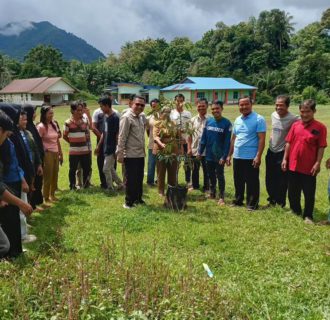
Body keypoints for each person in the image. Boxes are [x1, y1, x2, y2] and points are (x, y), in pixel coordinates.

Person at [282, 99, 327, 224]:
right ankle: (295, 210)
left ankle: (308, 215)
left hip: (308, 167)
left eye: (308, 111)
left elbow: (321, 146)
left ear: (314, 111)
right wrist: (285, 159)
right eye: (302, 111)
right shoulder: (295, 125)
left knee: (308, 192)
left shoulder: (320, 127)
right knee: (292, 190)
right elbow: (288, 143)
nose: (304, 114)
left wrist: (317, 163)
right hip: (293, 165)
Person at [0, 110, 33, 258]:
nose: (8, 137)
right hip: (8, 184)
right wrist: (21, 203)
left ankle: (14, 251)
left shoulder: (8, 143)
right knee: (5, 242)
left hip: (11, 184)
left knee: (5, 242)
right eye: (6, 134)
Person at [226, 96, 266, 210]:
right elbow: (233, 139)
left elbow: (261, 139)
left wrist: (258, 156)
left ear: (251, 104)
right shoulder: (238, 120)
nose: (243, 107)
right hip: (238, 156)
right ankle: (238, 200)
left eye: (246, 104)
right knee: (238, 180)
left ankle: (252, 204)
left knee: (251, 181)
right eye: (241, 105)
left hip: (251, 156)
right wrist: (229, 155)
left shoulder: (259, 119)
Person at [265, 95, 298, 207]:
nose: (278, 107)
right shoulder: (273, 115)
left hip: (282, 153)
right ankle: (271, 200)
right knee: (269, 178)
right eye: (277, 105)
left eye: (281, 105)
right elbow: (273, 129)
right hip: (271, 150)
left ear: (287, 106)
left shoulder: (294, 118)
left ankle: (280, 202)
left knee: (281, 180)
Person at [198, 100, 232, 205]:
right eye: (213, 109)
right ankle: (212, 193)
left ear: (222, 109)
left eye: (217, 108)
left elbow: (227, 142)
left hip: (219, 156)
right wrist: (199, 151)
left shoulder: (227, 123)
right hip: (209, 154)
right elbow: (203, 138)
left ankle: (221, 196)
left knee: (220, 175)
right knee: (210, 174)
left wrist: (224, 156)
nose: (215, 111)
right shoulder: (209, 121)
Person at [117, 96, 146, 208]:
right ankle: (128, 202)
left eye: (142, 105)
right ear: (131, 104)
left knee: (139, 178)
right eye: (137, 104)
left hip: (140, 154)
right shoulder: (127, 118)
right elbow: (122, 137)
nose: (139, 107)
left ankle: (138, 199)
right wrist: (120, 154)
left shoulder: (140, 117)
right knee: (131, 179)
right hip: (130, 154)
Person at [18, 110, 41, 243]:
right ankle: (22, 234)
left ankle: (24, 225)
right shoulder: (14, 135)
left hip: (28, 170)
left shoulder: (27, 133)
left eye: (27, 119)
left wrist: (37, 164)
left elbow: (35, 149)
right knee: (21, 202)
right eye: (23, 120)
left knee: (26, 199)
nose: (26, 122)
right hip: (20, 174)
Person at [95, 97, 123, 192]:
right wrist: (99, 146)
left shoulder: (115, 118)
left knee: (106, 169)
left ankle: (110, 188)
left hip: (112, 147)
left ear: (107, 106)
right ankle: (120, 184)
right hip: (105, 147)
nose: (101, 108)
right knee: (110, 168)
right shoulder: (105, 117)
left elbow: (117, 134)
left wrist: (117, 148)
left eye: (101, 106)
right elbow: (104, 133)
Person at [37, 105, 63, 204]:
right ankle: (46, 197)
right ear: (44, 115)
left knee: (55, 174)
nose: (52, 115)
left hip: (55, 152)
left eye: (52, 113)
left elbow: (57, 140)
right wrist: (44, 150)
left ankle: (52, 195)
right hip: (47, 154)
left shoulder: (54, 124)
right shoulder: (41, 126)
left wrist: (60, 152)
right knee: (48, 175)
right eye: (50, 113)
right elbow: (38, 141)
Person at [63, 102, 92, 190]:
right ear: (72, 110)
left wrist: (87, 147)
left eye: (81, 110)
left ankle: (86, 185)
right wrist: (73, 142)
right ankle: (72, 186)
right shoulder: (67, 122)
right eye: (78, 110)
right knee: (73, 169)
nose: (80, 112)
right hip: (74, 151)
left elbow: (87, 135)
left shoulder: (85, 121)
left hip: (85, 150)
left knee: (86, 169)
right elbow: (65, 136)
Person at [153, 106, 180, 196]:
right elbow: (155, 137)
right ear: (161, 113)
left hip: (173, 150)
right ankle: (161, 191)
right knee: (161, 171)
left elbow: (178, 136)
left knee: (172, 170)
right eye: (165, 112)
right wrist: (161, 144)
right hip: (161, 150)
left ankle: (171, 190)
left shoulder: (174, 123)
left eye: (169, 112)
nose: (167, 114)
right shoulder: (157, 123)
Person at [23, 104, 45, 211]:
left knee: (38, 182)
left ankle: (35, 204)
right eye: (34, 111)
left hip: (37, 160)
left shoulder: (31, 125)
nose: (35, 114)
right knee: (32, 184)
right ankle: (31, 205)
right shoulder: (26, 128)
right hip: (32, 163)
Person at [188, 98, 210, 192]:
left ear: (207, 107)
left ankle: (207, 187)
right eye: (199, 106)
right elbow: (189, 136)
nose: (201, 108)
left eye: (203, 106)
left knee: (207, 170)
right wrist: (189, 148)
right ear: (196, 107)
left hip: (207, 151)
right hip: (195, 149)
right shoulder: (192, 120)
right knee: (195, 169)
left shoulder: (211, 120)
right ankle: (195, 185)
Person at [146, 98, 160, 186]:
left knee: (160, 164)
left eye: (156, 105)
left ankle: (158, 180)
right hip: (152, 144)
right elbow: (147, 131)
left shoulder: (163, 116)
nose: (154, 107)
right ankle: (150, 181)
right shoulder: (148, 118)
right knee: (151, 163)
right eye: (153, 106)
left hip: (162, 145)